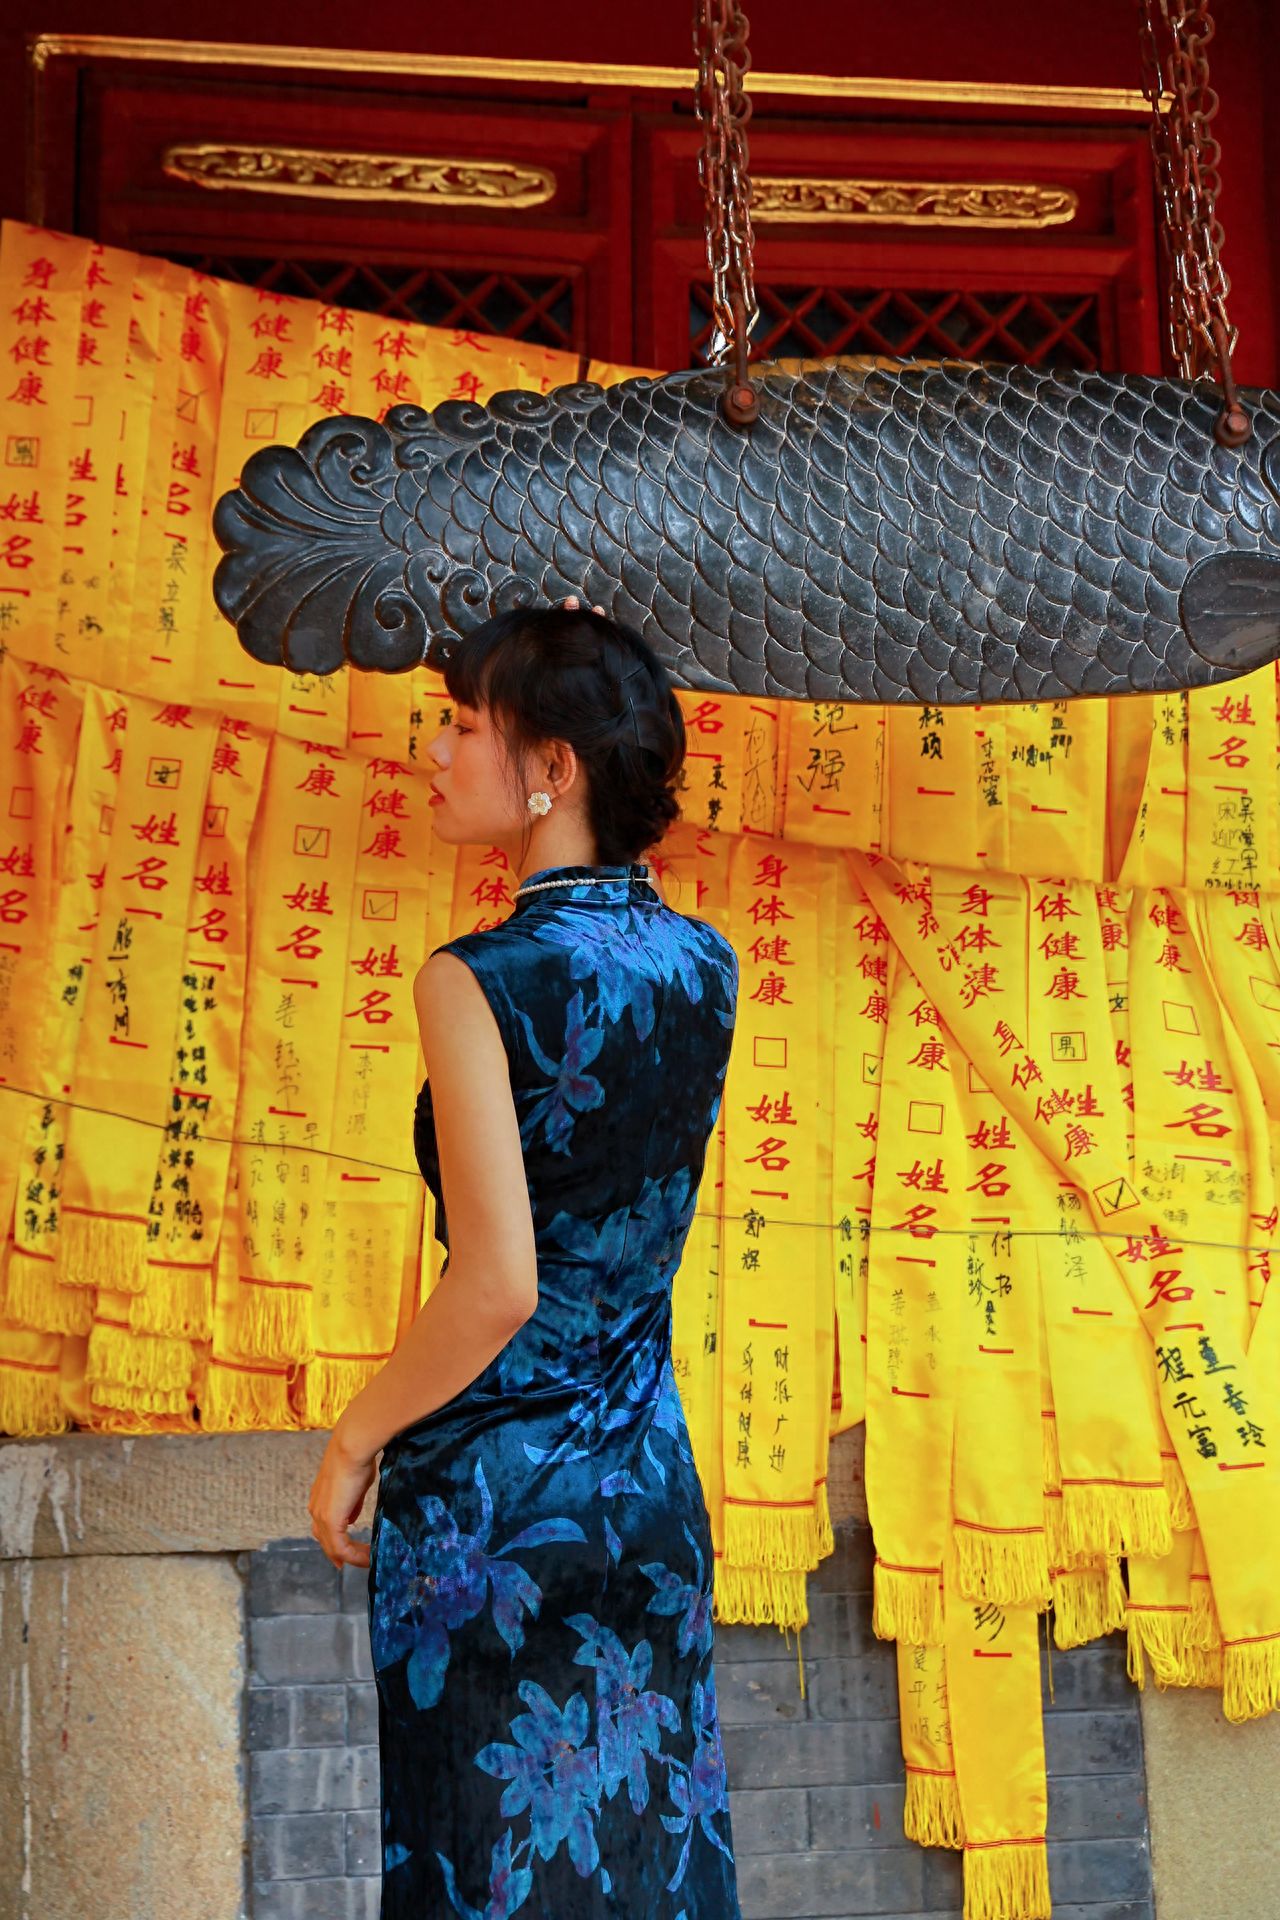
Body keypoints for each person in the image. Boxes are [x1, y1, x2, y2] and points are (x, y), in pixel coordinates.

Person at [306, 597, 744, 1918]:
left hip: (492, 1509)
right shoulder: (708, 967)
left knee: (484, 1870)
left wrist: (354, 1436)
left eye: (460, 725)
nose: (432, 752)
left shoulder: (475, 978)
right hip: (647, 1478)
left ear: (552, 770)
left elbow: (499, 1284)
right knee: (645, 1869)